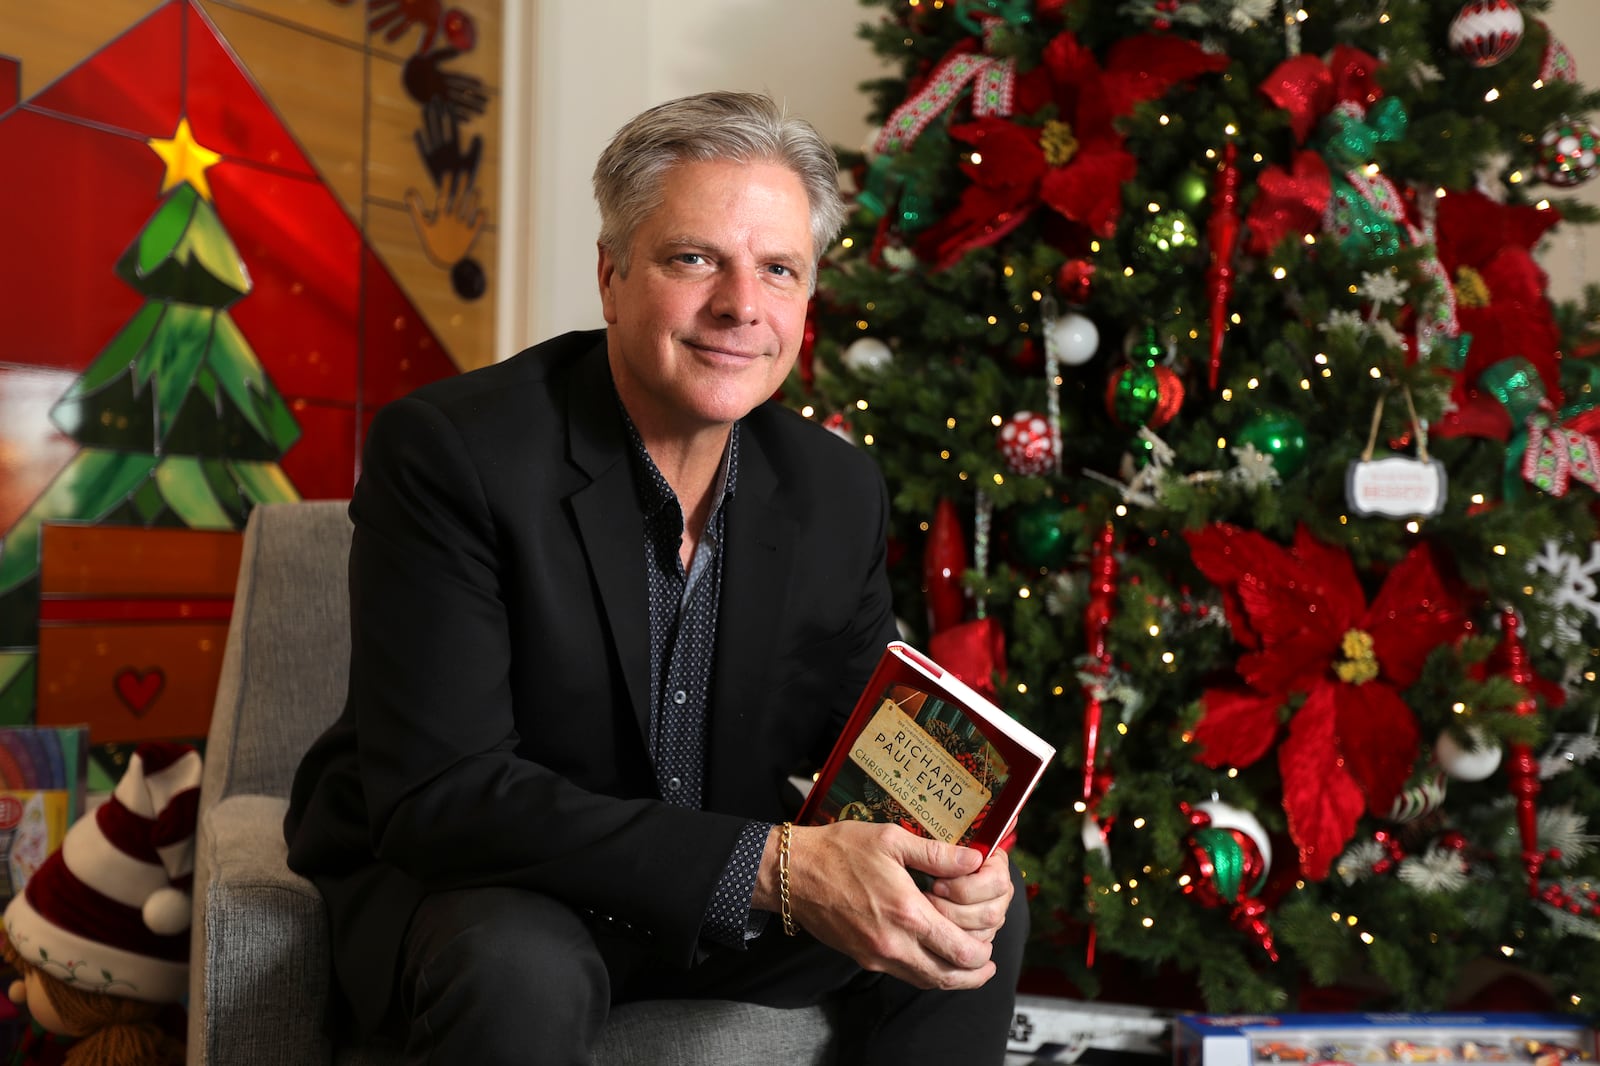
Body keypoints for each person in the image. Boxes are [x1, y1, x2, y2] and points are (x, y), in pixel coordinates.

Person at [284, 89, 1027, 1065]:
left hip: (719, 893)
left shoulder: (833, 486)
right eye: (694, 259)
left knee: (972, 922)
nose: (740, 307)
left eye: (778, 269)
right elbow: (444, 794)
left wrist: (957, 851)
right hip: (500, 887)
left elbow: (870, 737)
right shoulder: (453, 452)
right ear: (611, 274)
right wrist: (773, 865)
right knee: (518, 965)